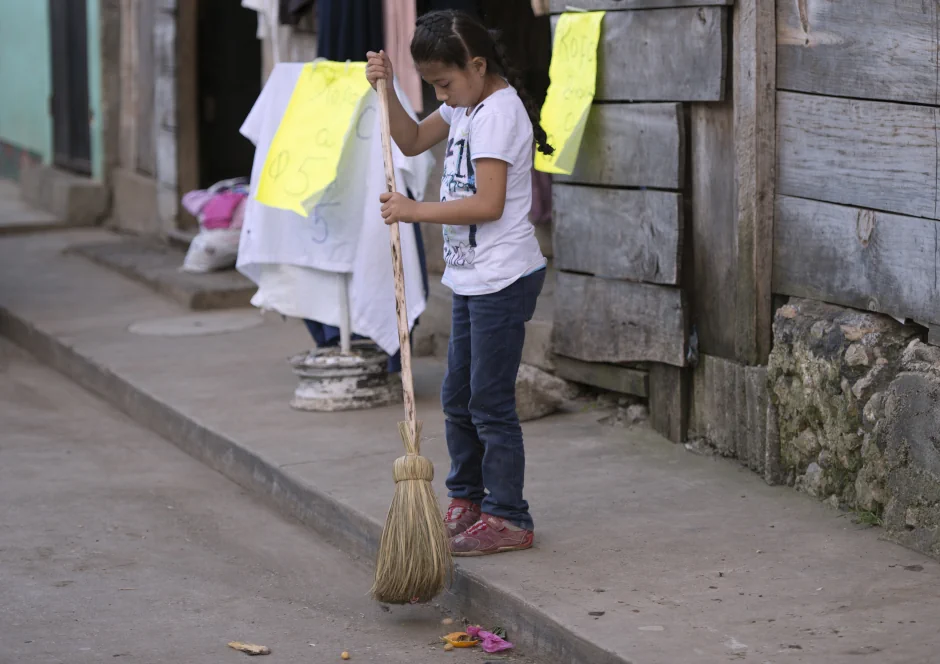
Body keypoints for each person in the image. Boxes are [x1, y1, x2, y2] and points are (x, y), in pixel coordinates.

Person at [365, 9, 553, 556]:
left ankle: (509, 516)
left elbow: (489, 205)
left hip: (503, 277)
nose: (441, 95)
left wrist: (413, 210)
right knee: (457, 396)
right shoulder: (464, 105)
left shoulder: (498, 114)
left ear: (476, 65)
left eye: (444, 83)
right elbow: (409, 140)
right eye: (432, 86)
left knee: (490, 401)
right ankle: (466, 500)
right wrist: (390, 87)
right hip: (471, 277)